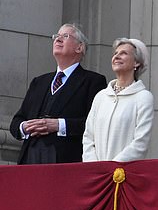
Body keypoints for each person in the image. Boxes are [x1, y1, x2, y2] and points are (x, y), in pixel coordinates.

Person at [10, 24, 107, 164]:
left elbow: (95, 124)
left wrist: (59, 125)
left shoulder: (93, 81)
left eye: (65, 36)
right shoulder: (39, 82)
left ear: (79, 48)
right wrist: (25, 127)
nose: (58, 39)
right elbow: (16, 122)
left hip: (65, 160)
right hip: (30, 158)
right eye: (56, 36)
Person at [82, 38, 154, 162]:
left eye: (124, 53)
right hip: (96, 173)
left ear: (136, 62)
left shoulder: (143, 97)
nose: (117, 56)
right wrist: (94, 166)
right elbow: (88, 137)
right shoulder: (101, 96)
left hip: (124, 173)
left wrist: (113, 167)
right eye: (115, 53)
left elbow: (140, 142)